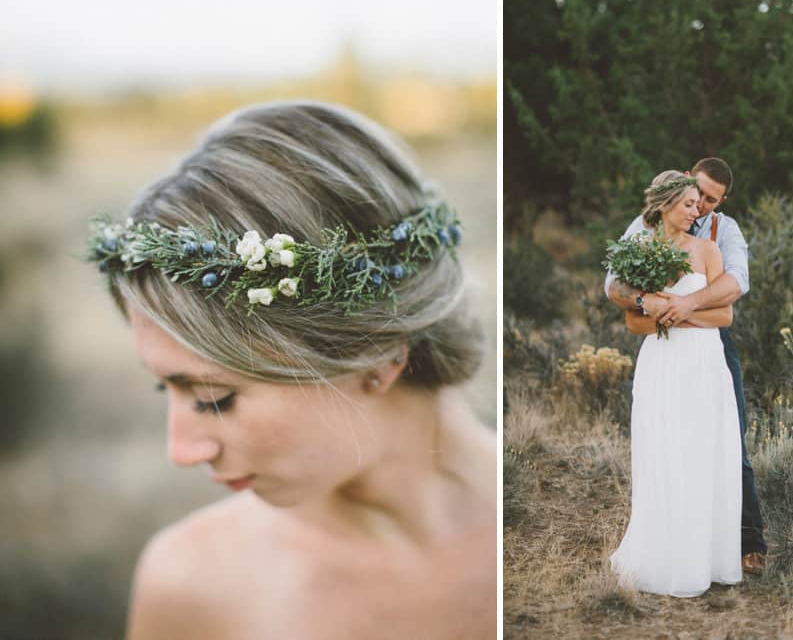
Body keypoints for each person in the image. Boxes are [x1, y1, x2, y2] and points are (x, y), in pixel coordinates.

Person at [86, 101, 496, 639]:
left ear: (377, 352)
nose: (182, 450)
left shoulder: (539, 525)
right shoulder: (191, 588)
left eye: (213, 396)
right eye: (165, 386)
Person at [605, 158, 767, 576]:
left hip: (709, 342)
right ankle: (671, 539)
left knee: (728, 441)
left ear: (721, 200)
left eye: (710, 201)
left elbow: (736, 285)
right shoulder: (643, 232)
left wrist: (685, 307)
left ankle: (747, 541)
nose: (701, 207)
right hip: (662, 348)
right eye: (696, 196)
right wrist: (649, 304)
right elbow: (615, 286)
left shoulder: (720, 234)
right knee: (665, 444)